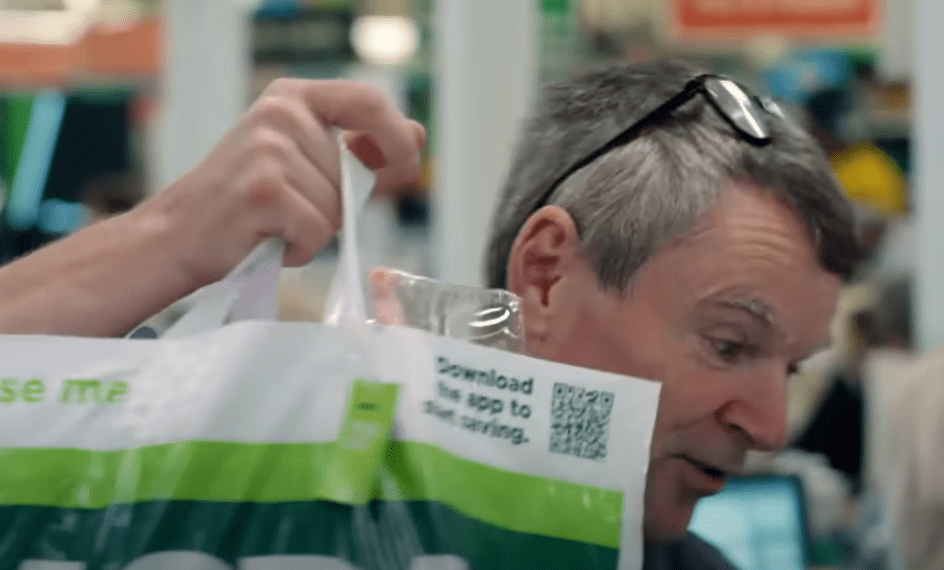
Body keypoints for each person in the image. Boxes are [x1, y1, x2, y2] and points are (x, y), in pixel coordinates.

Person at [0, 61, 859, 569]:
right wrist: (168, 238)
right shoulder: (296, 500)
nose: (772, 423)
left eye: (790, 367)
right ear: (548, 275)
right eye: (729, 343)